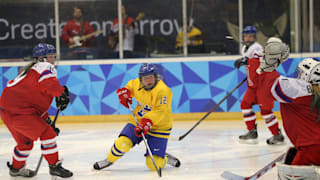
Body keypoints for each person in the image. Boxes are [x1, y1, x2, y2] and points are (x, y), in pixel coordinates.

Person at [0, 43, 72, 178]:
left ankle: (16, 169)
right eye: (49, 56)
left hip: (8, 111)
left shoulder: (30, 71)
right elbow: (49, 84)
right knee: (48, 134)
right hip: (19, 112)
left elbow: (33, 103)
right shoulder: (45, 67)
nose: (52, 60)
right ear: (40, 58)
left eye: (53, 56)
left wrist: (47, 121)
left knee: (25, 143)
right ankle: (54, 166)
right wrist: (61, 93)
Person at [93, 63, 181, 171]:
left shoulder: (163, 91)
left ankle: (164, 157)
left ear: (156, 77)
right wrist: (124, 94)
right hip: (138, 121)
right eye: (145, 78)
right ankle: (109, 160)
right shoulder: (136, 84)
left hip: (160, 126)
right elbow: (128, 88)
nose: (148, 81)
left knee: (153, 165)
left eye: (151, 77)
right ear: (141, 79)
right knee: (122, 143)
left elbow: (160, 111)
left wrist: (147, 122)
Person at [256, 38, 320, 179]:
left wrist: (268, 67)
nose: (297, 77)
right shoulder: (314, 90)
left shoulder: (302, 90)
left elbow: (272, 88)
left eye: (300, 73)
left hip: (312, 148)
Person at [234, 26, 284, 145]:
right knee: (245, 104)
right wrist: (249, 73)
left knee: (265, 110)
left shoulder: (257, 48)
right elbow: (251, 66)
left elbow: (259, 63)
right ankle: (252, 131)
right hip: (254, 84)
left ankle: (277, 135)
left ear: (255, 37)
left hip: (264, 84)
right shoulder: (245, 49)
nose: (248, 38)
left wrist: (247, 62)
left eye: (250, 36)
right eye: (246, 36)